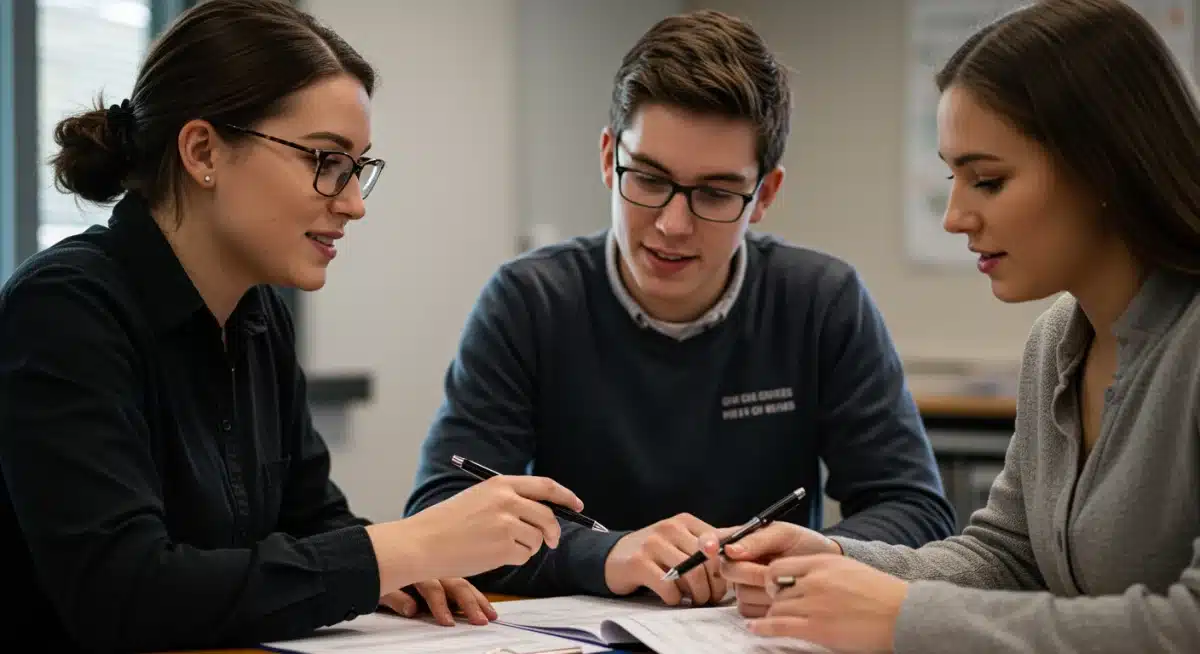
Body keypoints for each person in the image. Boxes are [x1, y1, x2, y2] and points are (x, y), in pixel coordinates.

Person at [0, 1, 588, 651]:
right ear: (203, 152)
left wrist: (407, 569)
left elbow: (314, 522)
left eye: (358, 168)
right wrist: (402, 547)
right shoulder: (65, 309)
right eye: (326, 161)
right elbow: (125, 592)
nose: (355, 203)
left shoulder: (256, 313)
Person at [404, 8, 956, 606]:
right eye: (647, 178)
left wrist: (817, 557)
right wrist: (608, 553)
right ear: (607, 157)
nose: (672, 224)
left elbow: (915, 510)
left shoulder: (821, 302)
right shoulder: (529, 301)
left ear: (764, 195)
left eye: (715, 193)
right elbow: (441, 514)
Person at [701, 0, 1200, 652]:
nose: (955, 215)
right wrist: (837, 560)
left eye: (987, 180)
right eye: (952, 177)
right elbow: (1010, 558)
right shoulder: (1056, 343)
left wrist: (900, 620)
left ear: (1103, 165)